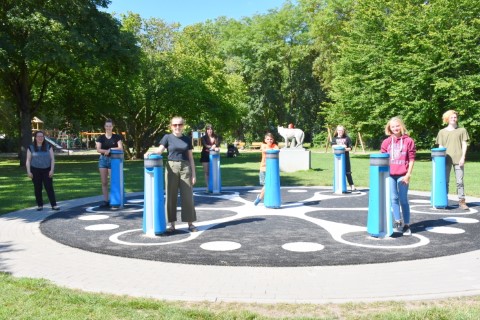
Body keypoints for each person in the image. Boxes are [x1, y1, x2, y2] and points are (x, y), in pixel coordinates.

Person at [151, 116, 197, 233]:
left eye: (180, 125)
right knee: (171, 196)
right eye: (175, 125)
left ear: (183, 126)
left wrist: (193, 174)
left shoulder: (187, 139)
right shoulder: (167, 137)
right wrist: (149, 153)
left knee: (187, 196)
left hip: (185, 167)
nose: (177, 127)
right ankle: (172, 224)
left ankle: (190, 223)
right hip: (171, 167)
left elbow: (191, 158)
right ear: (171, 126)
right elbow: (159, 150)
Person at [380, 117, 416, 236]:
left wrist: (408, 174)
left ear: (401, 126)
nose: (395, 128)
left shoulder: (409, 141)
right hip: (390, 175)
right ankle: (397, 221)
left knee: (403, 199)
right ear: (389, 128)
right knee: (393, 198)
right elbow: (383, 159)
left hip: (403, 174)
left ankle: (406, 224)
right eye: (393, 126)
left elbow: (411, 159)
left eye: (397, 126)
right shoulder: (386, 142)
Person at [436, 110, 470, 210]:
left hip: (459, 159)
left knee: (460, 181)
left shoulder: (462, 130)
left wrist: (463, 157)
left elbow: (464, 144)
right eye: (451, 117)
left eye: (455, 117)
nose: (454, 119)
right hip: (446, 160)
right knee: (445, 181)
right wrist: (440, 161)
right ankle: (444, 200)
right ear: (447, 119)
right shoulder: (442, 132)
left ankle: (462, 201)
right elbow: (440, 147)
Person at [26, 130, 60, 211]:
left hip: (47, 170)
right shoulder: (31, 147)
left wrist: (52, 170)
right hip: (35, 170)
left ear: (44, 137)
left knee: (49, 187)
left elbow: (52, 159)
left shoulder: (48, 146)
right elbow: (28, 160)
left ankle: (54, 205)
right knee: (37, 188)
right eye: (38, 136)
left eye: (42, 136)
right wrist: (28, 171)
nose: (40, 138)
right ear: (35, 137)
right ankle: (40, 205)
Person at [96, 119, 124, 208]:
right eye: (107, 126)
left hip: (114, 160)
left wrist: (111, 150)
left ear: (112, 127)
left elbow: (120, 148)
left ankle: (114, 200)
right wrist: (106, 151)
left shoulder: (117, 137)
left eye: (110, 126)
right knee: (104, 182)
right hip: (103, 160)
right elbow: (98, 149)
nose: (108, 128)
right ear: (105, 127)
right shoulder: (100, 138)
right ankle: (105, 201)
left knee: (113, 181)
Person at [253, 132, 279, 206]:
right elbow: (264, 150)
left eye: (271, 139)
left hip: (271, 169)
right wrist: (271, 149)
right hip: (263, 168)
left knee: (267, 184)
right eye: (268, 139)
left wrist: (273, 148)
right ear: (265, 140)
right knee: (265, 184)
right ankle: (263, 197)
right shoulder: (263, 145)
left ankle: (259, 198)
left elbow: (277, 150)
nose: (269, 140)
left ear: (273, 140)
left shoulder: (275, 145)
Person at [331, 125, 358, 193]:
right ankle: (337, 186)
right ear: (337, 131)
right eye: (339, 130)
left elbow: (350, 148)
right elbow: (333, 146)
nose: (340, 132)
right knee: (338, 171)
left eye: (342, 130)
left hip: (345, 157)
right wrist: (342, 146)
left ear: (344, 131)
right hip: (337, 158)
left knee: (348, 172)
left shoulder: (347, 138)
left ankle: (352, 186)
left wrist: (343, 148)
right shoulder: (334, 138)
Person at [199, 124, 219, 192]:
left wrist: (216, 147)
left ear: (212, 130)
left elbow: (217, 144)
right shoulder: (203, 138)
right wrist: (212, 147)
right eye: (208, 129)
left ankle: (214, 186)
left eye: (211, 129)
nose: (209, 130)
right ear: (206, 130)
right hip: (205, 155)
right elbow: (205, 145)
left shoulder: (216, 137)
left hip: (214, 156)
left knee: (214, 171)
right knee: (206, 172)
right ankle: (207, 186)